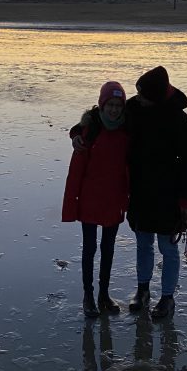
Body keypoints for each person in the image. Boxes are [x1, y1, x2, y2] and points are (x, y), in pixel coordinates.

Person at [72, 65, 187, 320]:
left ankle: (167, 298)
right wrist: (76, 132)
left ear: (155, 96)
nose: (136, 99)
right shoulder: (136, 109)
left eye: (142, 95)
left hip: (168, 195)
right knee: (143, 243)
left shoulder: (180, 121)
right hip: (140, 191)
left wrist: (185, 201)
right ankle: (143, 291)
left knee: (167, 246)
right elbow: (99, 116)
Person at [62, 81, 129, 318]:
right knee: (90, 248)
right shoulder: (90, 130)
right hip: (90, 199)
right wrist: (73, 201)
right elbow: (77, 169)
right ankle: (88, 296)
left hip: (113, 199)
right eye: (109, 104)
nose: (113, 110)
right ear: (102, 105)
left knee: (108, 249)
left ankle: (104, 295)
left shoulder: (126, 130)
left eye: (117, 105)